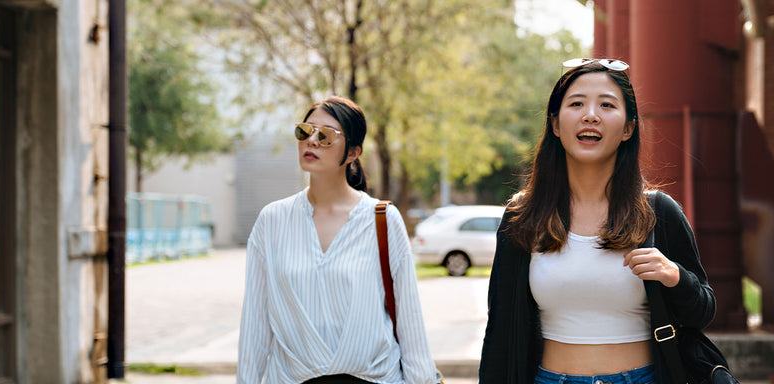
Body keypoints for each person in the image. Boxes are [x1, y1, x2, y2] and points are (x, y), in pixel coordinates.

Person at [478, 59, 716, 384]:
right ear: (556, 125)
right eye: (576, 104)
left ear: (628, 128)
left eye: (607, 104)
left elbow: (702, 312)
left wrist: (675, 277)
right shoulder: (523, 216)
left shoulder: (658, 212)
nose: (591, 114)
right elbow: (500, 330)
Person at [238, 96, 438, 384]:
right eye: (305, 131)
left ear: (354, 153)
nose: (312, 141)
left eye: (327, 136)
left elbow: (410, 323)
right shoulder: (272, 221)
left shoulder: (382, 219)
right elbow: (255, 326)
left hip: (374, 378)